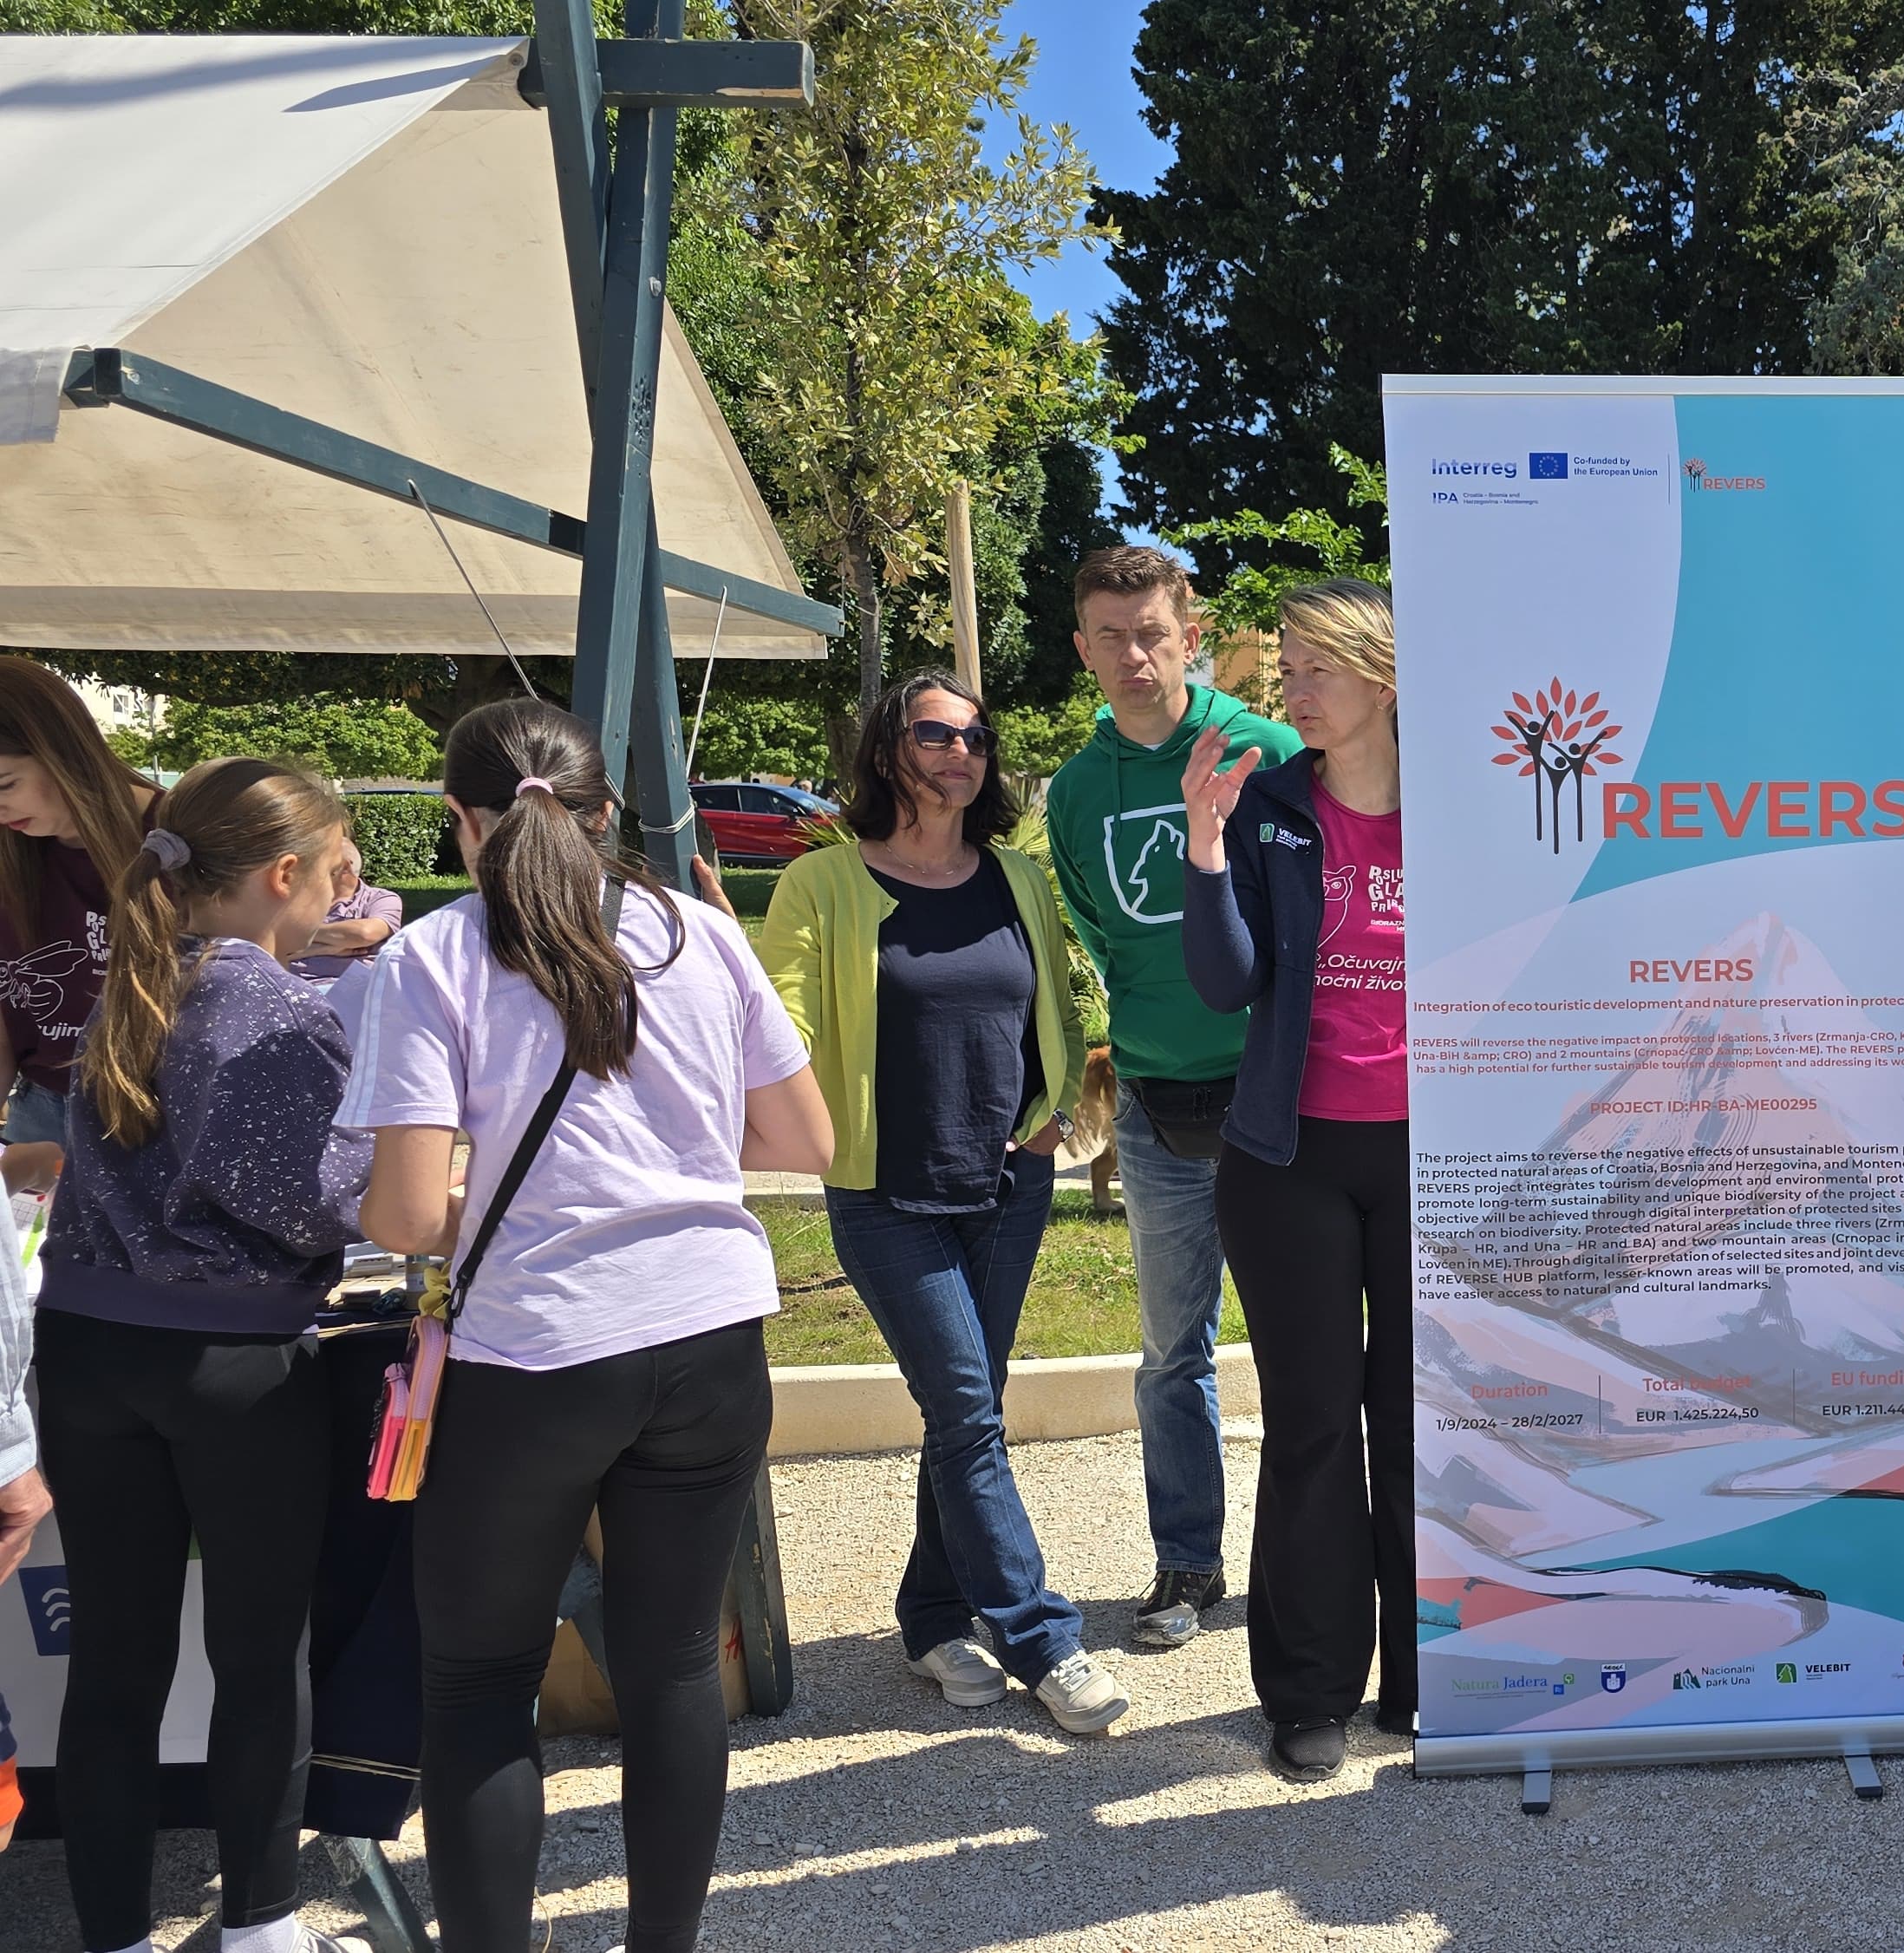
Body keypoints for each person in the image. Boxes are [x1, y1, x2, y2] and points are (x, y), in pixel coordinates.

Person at [345, 700, 834, 1953]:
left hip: (540, 1350)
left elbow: (406, 1213)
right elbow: (803, 1139)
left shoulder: (433, 957)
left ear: (458, 820)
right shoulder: (698, 934)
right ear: (607, 811)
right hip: (710, 1329)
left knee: (479, 1681)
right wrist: (661, 1163)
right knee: (671, 1664)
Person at [33, 757, 374, 1953]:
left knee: (112, 1660)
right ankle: (260, 1927)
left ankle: (116, 1934)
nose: (348, 895)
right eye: (339, 873)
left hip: (88, 1348)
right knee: (257, 1653)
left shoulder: (139, 977)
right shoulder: (272, 1007)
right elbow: (304, 1198)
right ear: (284, 874)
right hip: (230, 1360)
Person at [760, 671, 1124, 1734]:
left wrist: (1054, 1114)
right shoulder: (822, 883)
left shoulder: (1016, 875)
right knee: (966, 1407)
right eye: (934, 732)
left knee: (966, 1408)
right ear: (888, 749)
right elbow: (779, 1026)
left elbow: (1056, 1005)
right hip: (885, 1189)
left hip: (1006, 1184)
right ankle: (1041, 1636)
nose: (959, 752)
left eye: (974, 736)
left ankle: (929, 1613)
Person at [1043, 546, 1303, 1650]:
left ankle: (1311, 1564)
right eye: (1109, 635)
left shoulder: (1268, 751)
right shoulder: (1073, 791)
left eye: (1151, 631)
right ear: (1082, 648)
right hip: (1156, 1109)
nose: (1133, 654)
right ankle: (1188, 1562)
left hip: (1279, 1100)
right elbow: (1103, 937)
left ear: (1189, 636)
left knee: (1305, 1347)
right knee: (1170, 1353)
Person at [1181, 578, 1408, 1783]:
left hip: (1437, 1161)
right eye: (1290, 664)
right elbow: (1226, 984)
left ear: (1384, 675)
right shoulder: (1269, 805)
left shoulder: (1467, 808)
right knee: (1315, 1426)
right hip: (1291, 1161)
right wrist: (1205, 845)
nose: (1294, 689)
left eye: (1320, 666)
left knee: (1423, 1420)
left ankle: (1429, 1678)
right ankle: (1311, 1689)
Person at [0, 657, 161, 1172]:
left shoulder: (175, 839)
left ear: (60, 750)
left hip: (159, 1117)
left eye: (4, 785)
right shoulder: (11, 851)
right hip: (41, 1112)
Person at [288, 833, 402, 984]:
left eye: (317, 861)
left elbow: (365, 933)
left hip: (344, 987)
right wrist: (323, 949)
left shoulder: (379, 899)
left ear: (344, 867)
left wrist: (298, 934)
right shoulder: (294, 899)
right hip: (289, 985)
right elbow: (270, 946)